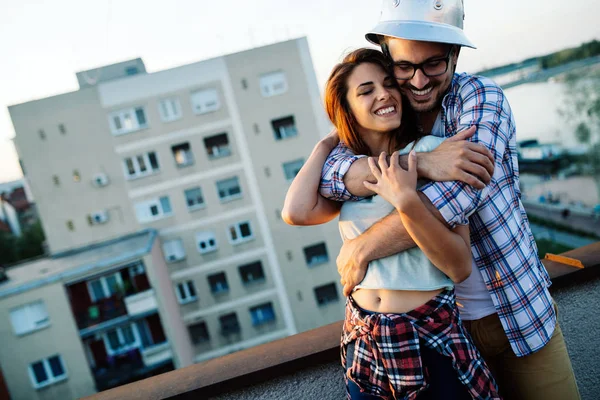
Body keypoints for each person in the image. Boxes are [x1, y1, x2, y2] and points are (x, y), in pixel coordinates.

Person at [287, 1, 580, 399]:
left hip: (516, 313)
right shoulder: (382, 124)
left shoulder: (480, 100)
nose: (419, 80)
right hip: (437, 332)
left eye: (433, 65)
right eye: (404, 68)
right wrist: (423, 162)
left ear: (454, 57)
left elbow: (454, 198)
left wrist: (362, 248)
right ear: (389, 60)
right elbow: (330, 180)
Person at [284, 48, 500, 399]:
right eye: (366, 91)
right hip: (367, 342)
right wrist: (327, 140)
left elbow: (459, 267)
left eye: (388, 84)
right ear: (347, 109)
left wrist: (407, 202)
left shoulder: (437, 151)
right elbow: (296, 212)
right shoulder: (347, 171)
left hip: (429, 338)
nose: (383, 94)